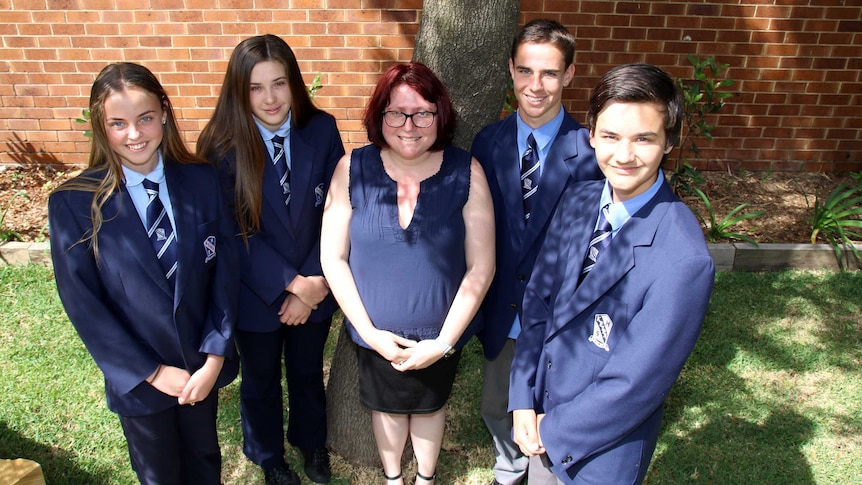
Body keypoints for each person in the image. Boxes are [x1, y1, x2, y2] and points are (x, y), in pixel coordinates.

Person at [509, 63, 716, 484]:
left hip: (601, 453)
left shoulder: (682, 258)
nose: (623, 155)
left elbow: (636, 384)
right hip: (539, 419)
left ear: (669, 142)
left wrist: (553, 429)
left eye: (643, 138)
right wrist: (521, 400)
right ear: (590, 135)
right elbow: (539, 302)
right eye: (610, 136)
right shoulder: (579, 198)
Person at [49, 62, 239, 484]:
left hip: (198, 369)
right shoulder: (74, 204)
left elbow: (225, 273)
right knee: (160, 474)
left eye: (145, 118)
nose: (134, 134)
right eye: (119, 123)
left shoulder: (202, 180)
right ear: (101, 127)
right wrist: (151, 371)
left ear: (164, 114)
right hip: (139, 379)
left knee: (205, 462)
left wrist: (214, 356)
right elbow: (83, 304)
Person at [320, 62, 495, 485]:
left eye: (422, 113)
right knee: (386, 409)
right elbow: (333, 258)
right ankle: (395, 478)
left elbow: (482, 265)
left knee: (431, 407)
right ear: (380, 116)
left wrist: (444, 343)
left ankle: (427, 479)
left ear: (440, 116)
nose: (409, 125)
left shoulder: (466, 171)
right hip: (376, 334)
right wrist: (369, 332)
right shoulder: (351, 169)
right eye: (396, 113)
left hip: (440, 332)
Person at [196, 34, 344, 485]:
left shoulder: (321, 130)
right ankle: (268, 457)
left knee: (305, 371)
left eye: (279, 83)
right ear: (239, 92)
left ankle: (311, 444)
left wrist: (315, 281)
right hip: (255, 293)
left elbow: (339, 210)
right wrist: (289, 283)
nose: (270, 97)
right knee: (260, 380)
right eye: (256, 88)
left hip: (316, 286)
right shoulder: (220, 146)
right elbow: (229, 232)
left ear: (294, 83)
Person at [470, 19, 603, 485]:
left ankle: (549, 470)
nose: (536, 85)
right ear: (510, 69)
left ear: (569, 74)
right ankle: (510, 467)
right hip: (503, 305)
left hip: (562, 311)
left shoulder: (591, 152)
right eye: (525, 71)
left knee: (553, 406)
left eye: (549, 73)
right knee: (496, 402)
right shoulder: (488, 143)